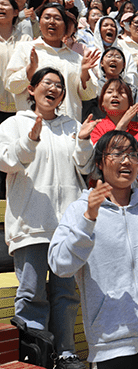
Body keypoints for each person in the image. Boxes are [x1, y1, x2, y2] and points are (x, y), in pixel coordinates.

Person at [48, 131, 138, 368]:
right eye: (117, 153)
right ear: (99, 163)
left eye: (133, 155)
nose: (126, 161)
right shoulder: (80, 210)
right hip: (111, 343)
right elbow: (60, 265)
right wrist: (87, 221)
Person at [0, 68, 98, 369]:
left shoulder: (73, 124)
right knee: (32, 291)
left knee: (66, 293)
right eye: (47, 84)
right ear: (32, 90)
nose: (54, 89)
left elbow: (86, 166)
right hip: (32, 223)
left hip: (66, 227)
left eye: (59, 85)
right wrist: (29, 141)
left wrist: (82, 142)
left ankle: (66, 352)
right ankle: (35, 353)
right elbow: (6, 162)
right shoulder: (14, 123)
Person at [6, 3, 99, 121]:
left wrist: (84, 74)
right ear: (39, 24)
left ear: (65, 27)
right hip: (32, 124)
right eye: (47, 17)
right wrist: (28, 72)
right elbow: (11, 86)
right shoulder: (25, 49)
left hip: (67, 127)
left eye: (57, 18)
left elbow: (90, 95)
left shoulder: (77, 58)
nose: (52, 21)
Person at [90, 78, 138, 192]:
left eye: (121, 93)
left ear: (130, 103)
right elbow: (96, 159)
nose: (115, 95)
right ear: (102, 102)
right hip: (104, 195)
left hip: (137, 195)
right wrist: (121, 125)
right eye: (110, 92)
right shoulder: (94, 126)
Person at [0, 0, 31, 121]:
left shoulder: (25, 40)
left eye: (4, 4)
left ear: (15, 12)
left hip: (20, 107)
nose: (0, 7)